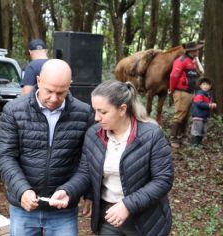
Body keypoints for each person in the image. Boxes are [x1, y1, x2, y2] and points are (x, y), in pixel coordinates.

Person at [49, 80, 174, 236]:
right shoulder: (94, 135)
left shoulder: (151, 135)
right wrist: (68, 191)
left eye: (103, 112)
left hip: (146, 220)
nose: (96, 118)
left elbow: (163, 179)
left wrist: (127, 205)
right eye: (95, 111)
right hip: (108, 217)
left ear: (122, 109)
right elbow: (85, 172)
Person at [0, 59, 94, 236]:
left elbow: (87, 163)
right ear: (39, 81)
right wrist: (22, 189)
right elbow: (5, 156)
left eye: (61, 92)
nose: (54, 98)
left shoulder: (84, 113)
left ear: (69, 85)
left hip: (63, 210)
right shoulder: (14, 110)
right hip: (23, 207)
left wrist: (71, 190)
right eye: (49, 91)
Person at [169, 41, 204, 148]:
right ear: (191, 51)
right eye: (196, 49)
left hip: (190, 92)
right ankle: (173, 138)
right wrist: (172, 90)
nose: (198, 50)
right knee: (180, 115)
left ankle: (181, 137)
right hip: (181, 92)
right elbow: (174, 76)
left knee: (186, 116)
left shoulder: (192, 61)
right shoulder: (181, 60)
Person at [190, 77, 217, 146]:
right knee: (196, 130)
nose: (206, 86)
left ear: (210, 86)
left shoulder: (208, 95)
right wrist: (209, 105)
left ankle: (199, 144)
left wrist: (211, 105)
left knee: (202, 131)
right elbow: (199, 103)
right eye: (204, 84)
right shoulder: (199, 94)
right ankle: (194, 145)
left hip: (204, 116)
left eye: (207, 85)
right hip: (198, 115)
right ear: (200, 86)